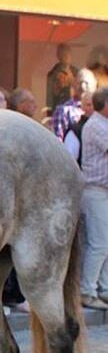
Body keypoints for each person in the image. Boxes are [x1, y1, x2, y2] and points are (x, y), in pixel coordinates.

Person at [79, 88, 108, 310]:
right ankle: (87, 291)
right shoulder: (96, 125)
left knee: (105, 243)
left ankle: (103, 287)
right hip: (95, 190)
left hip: (103, 191)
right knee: (98, 243)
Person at [46, 44, 79, 112]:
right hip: (60, 109)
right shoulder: (53, 73)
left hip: (74, 109)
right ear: (58, 56)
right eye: (63, 54)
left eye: (68, 53)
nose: (66, 56)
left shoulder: (75, 71)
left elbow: (79, 89)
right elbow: (50, 96)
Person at [64, 92, 94, 165]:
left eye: (96, 105)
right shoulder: (74, 131)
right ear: (82, 107)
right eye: (89, 105)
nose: (93, 108)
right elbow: (69, 162)